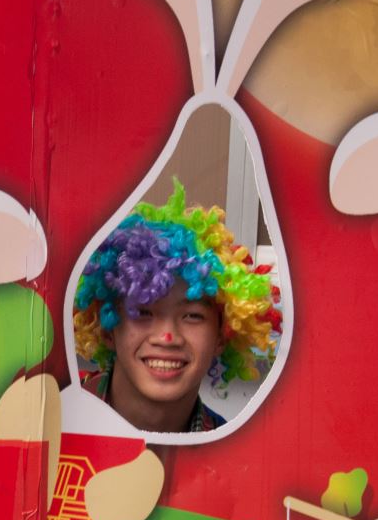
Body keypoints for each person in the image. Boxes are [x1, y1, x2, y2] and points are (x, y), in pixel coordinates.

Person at [73, 179, 281, 432]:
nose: (167, 337)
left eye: (192, 316)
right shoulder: (49, 422)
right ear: (107, 328)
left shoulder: (237, 453)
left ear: (222, 335)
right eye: (143, 311)